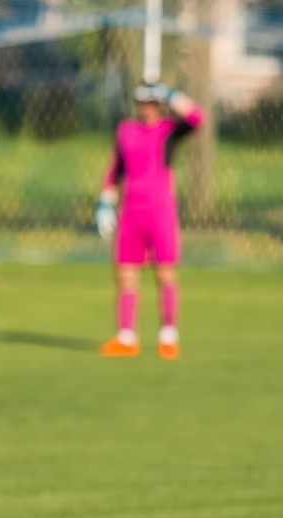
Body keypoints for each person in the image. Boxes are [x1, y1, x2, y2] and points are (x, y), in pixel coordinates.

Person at [96, 82, 203, 360]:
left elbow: (196, 118)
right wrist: (106, 202)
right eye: (144, 103)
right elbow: (115, 170)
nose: (148, 109)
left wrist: (172, 94)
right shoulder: (126, 131)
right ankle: (126, 336)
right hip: (131, 212)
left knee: (165, 272)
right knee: (125, 273)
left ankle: (168, 335)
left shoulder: (168, 131)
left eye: (153, 103)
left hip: (161, 212)